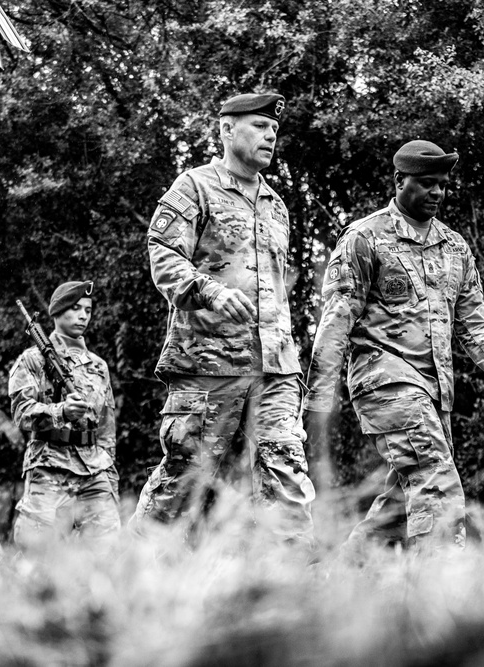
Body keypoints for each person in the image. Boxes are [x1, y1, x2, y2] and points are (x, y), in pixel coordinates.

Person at [305, 140, 484, 550]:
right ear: (399, 180)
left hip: (435, 391)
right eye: (427, 183)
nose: (437, 193)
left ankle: (339, 578)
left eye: (443, 185)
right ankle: (443, 594)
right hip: (384, 382)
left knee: (398, 505)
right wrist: (318, 400)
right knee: (437, 482)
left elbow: (473, 319)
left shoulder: (454, 246)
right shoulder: (365, 238)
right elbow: (336, 322)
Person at [132, 93, 315, 543]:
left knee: (286, 476)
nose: (271, 134)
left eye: (274, 129)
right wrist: (209, 290)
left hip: (274, 369)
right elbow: (164, 257)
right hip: (208, 365)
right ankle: (132, 569)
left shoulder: (277, 205)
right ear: (226, 130)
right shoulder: (194, 187)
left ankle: (293, 588)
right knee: (186, 480)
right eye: (258, 125)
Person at [9, 281, 120, 547]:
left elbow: (107, 426)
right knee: (36, 550)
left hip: (94, 469)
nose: (83, 315)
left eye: (88, 310)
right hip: (49, 465)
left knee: (108, 549)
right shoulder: (32, 360)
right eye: (75, 308)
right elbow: (21, 412)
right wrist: (61, 412)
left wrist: (109, 472)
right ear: (57, 313)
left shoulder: (98, 365)